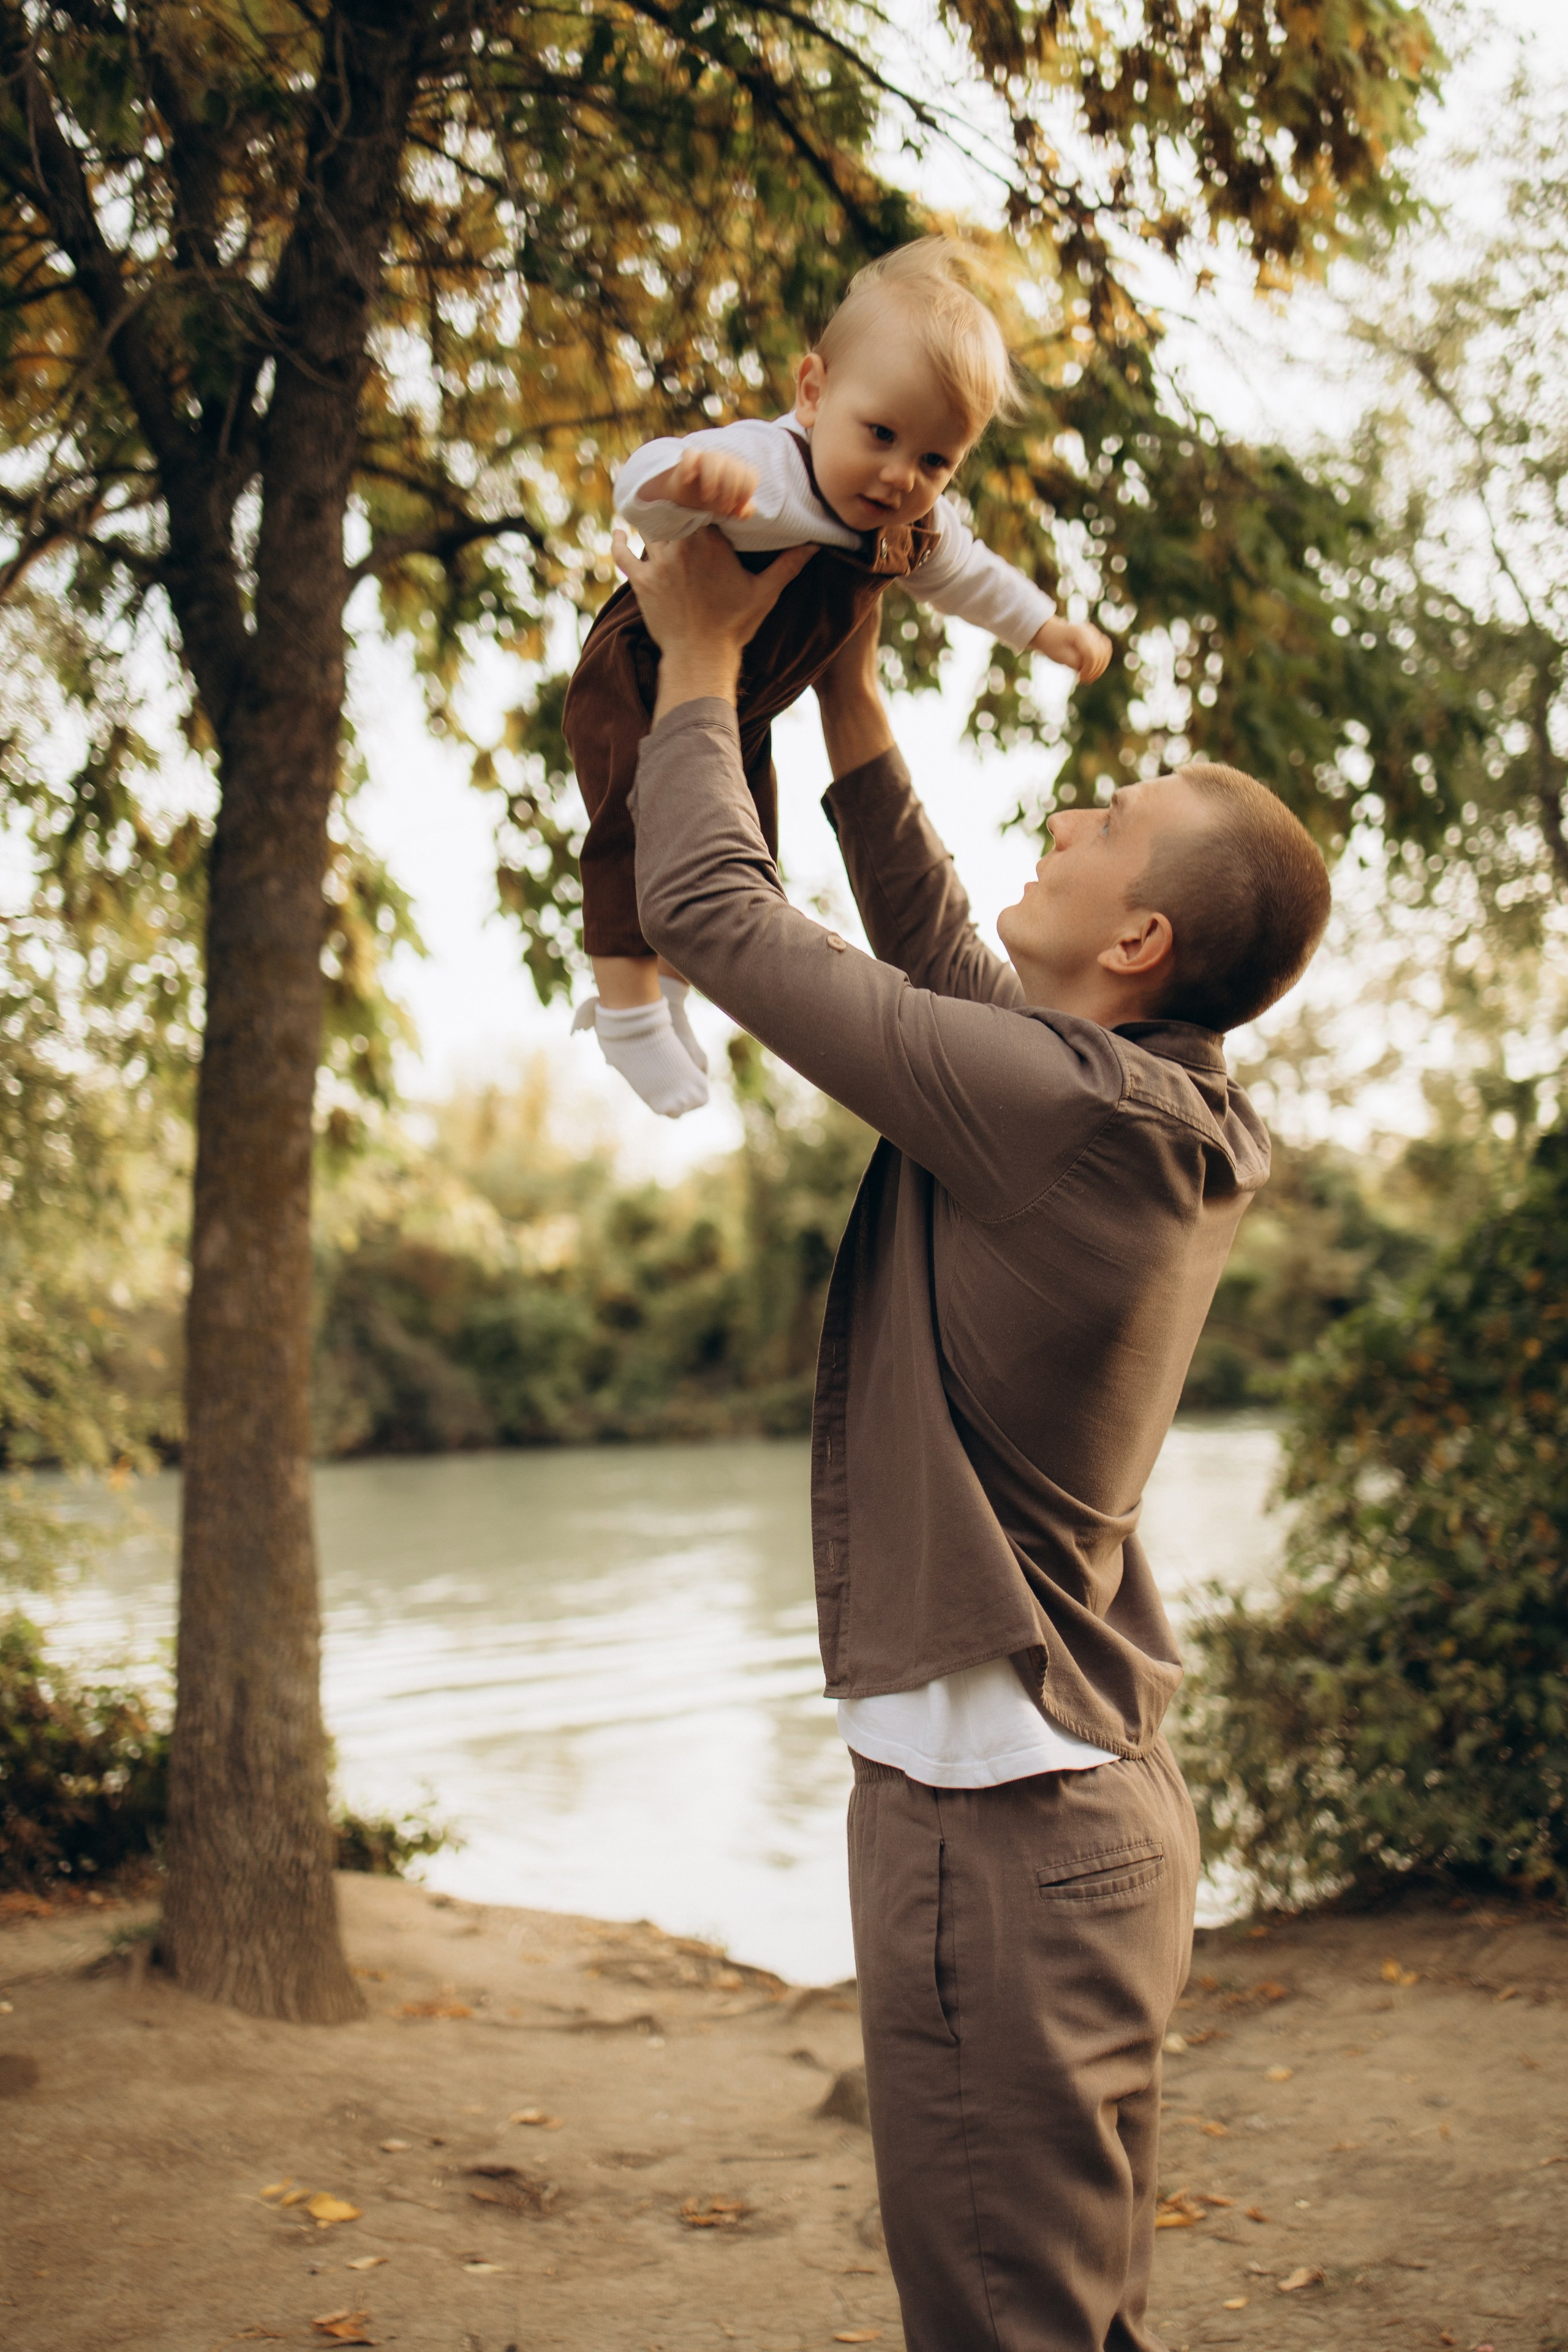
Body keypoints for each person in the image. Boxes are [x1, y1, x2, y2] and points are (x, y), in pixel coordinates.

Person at [610, 521, 1332, 2352]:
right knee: (1067, 2317)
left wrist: (701, 657)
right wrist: (847, 692)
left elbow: (711, 916)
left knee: (1010, 2330)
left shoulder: (1062, 1116)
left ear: (1141, 937)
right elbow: (941, 958)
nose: (1079, 809)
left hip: (994, 1835)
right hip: (1075, 1817)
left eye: (1115, 817)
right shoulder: (1136, 1102)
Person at [564, 237, 1112, 1117]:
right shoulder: (768, 469)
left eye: (936, 461)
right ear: (813, 394)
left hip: (742, 702)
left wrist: (1044, 627)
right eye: (883, 435)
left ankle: (668, 993)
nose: (902, 477)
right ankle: (626, 1013)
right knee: (637, 828)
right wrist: (686, 479)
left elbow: (973, 578)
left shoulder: (913, 525)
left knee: (741, 850)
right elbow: (640, 490)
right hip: (642, 668)